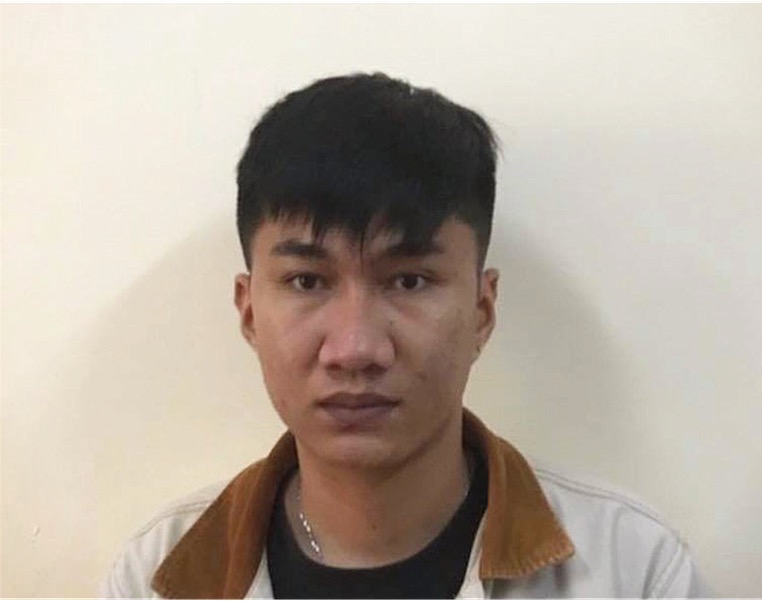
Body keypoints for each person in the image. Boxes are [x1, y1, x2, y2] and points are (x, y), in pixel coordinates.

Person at [102, 72, 707, 598]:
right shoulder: (153, 579)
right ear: (250, 313)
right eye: (308, 281)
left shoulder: (634, 571)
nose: (356, 349)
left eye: (409, 281)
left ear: (482, 310)